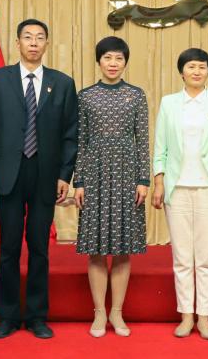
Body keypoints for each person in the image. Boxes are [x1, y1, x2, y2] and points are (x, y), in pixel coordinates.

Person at [0, 19, 78, 340]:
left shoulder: (62, 83)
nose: (34, 43)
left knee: (39, 248)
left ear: (47, 44)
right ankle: (8, 317)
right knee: (8, 248)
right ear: (18, 43)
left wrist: (65, 175)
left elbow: (70, 135)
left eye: (40, 38)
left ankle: (37, 316)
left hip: (45, 175)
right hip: (8, 173)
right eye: (28, 37)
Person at [152, 48, 208, 341]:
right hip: (177, 190)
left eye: (202, 67)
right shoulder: (169, 103)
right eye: (191, 66)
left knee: (206, 258)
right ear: (182, 72)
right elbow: (160, 148)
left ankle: (204, 317)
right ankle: (186, 315)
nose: (196, 71)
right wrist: (159, 182)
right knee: (182, 258)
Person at [73, 36, 150, 338]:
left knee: (122, 248)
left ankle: (117, 312)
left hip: (127, 175)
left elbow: (142, 140)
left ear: (125, 62)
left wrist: (143, 179)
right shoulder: (85, 96)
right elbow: (81, 141)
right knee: (95, 249)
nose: (113, 63)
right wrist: (79, 181)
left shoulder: (136, 95)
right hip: (94, 175)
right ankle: (99, 313)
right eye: (107, 58)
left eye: (119, 58)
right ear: (99, 61)